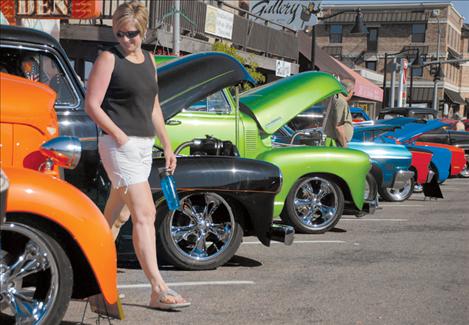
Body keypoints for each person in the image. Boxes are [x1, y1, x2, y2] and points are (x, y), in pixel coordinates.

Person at [85, 1, 190, 311]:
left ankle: (92, 285)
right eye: (119, 33)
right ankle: (158, 288)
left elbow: (153, 106)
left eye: (130, 33)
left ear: (142, 30)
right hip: (120, 147)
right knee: (146, 214)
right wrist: (118, 135)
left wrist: (168, 145)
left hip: (144, 148)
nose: (124, 40)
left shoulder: (149, 60)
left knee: (115, 219)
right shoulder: (108, 58)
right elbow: (92, 105)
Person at [323, 79, 355, 147]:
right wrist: (344, 146)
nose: (352, 94)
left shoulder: (334, 99)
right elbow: (339, 127)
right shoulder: (341, 102)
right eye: (353, 92)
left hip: (334, 141)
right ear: (349, 91)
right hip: (337, 143)